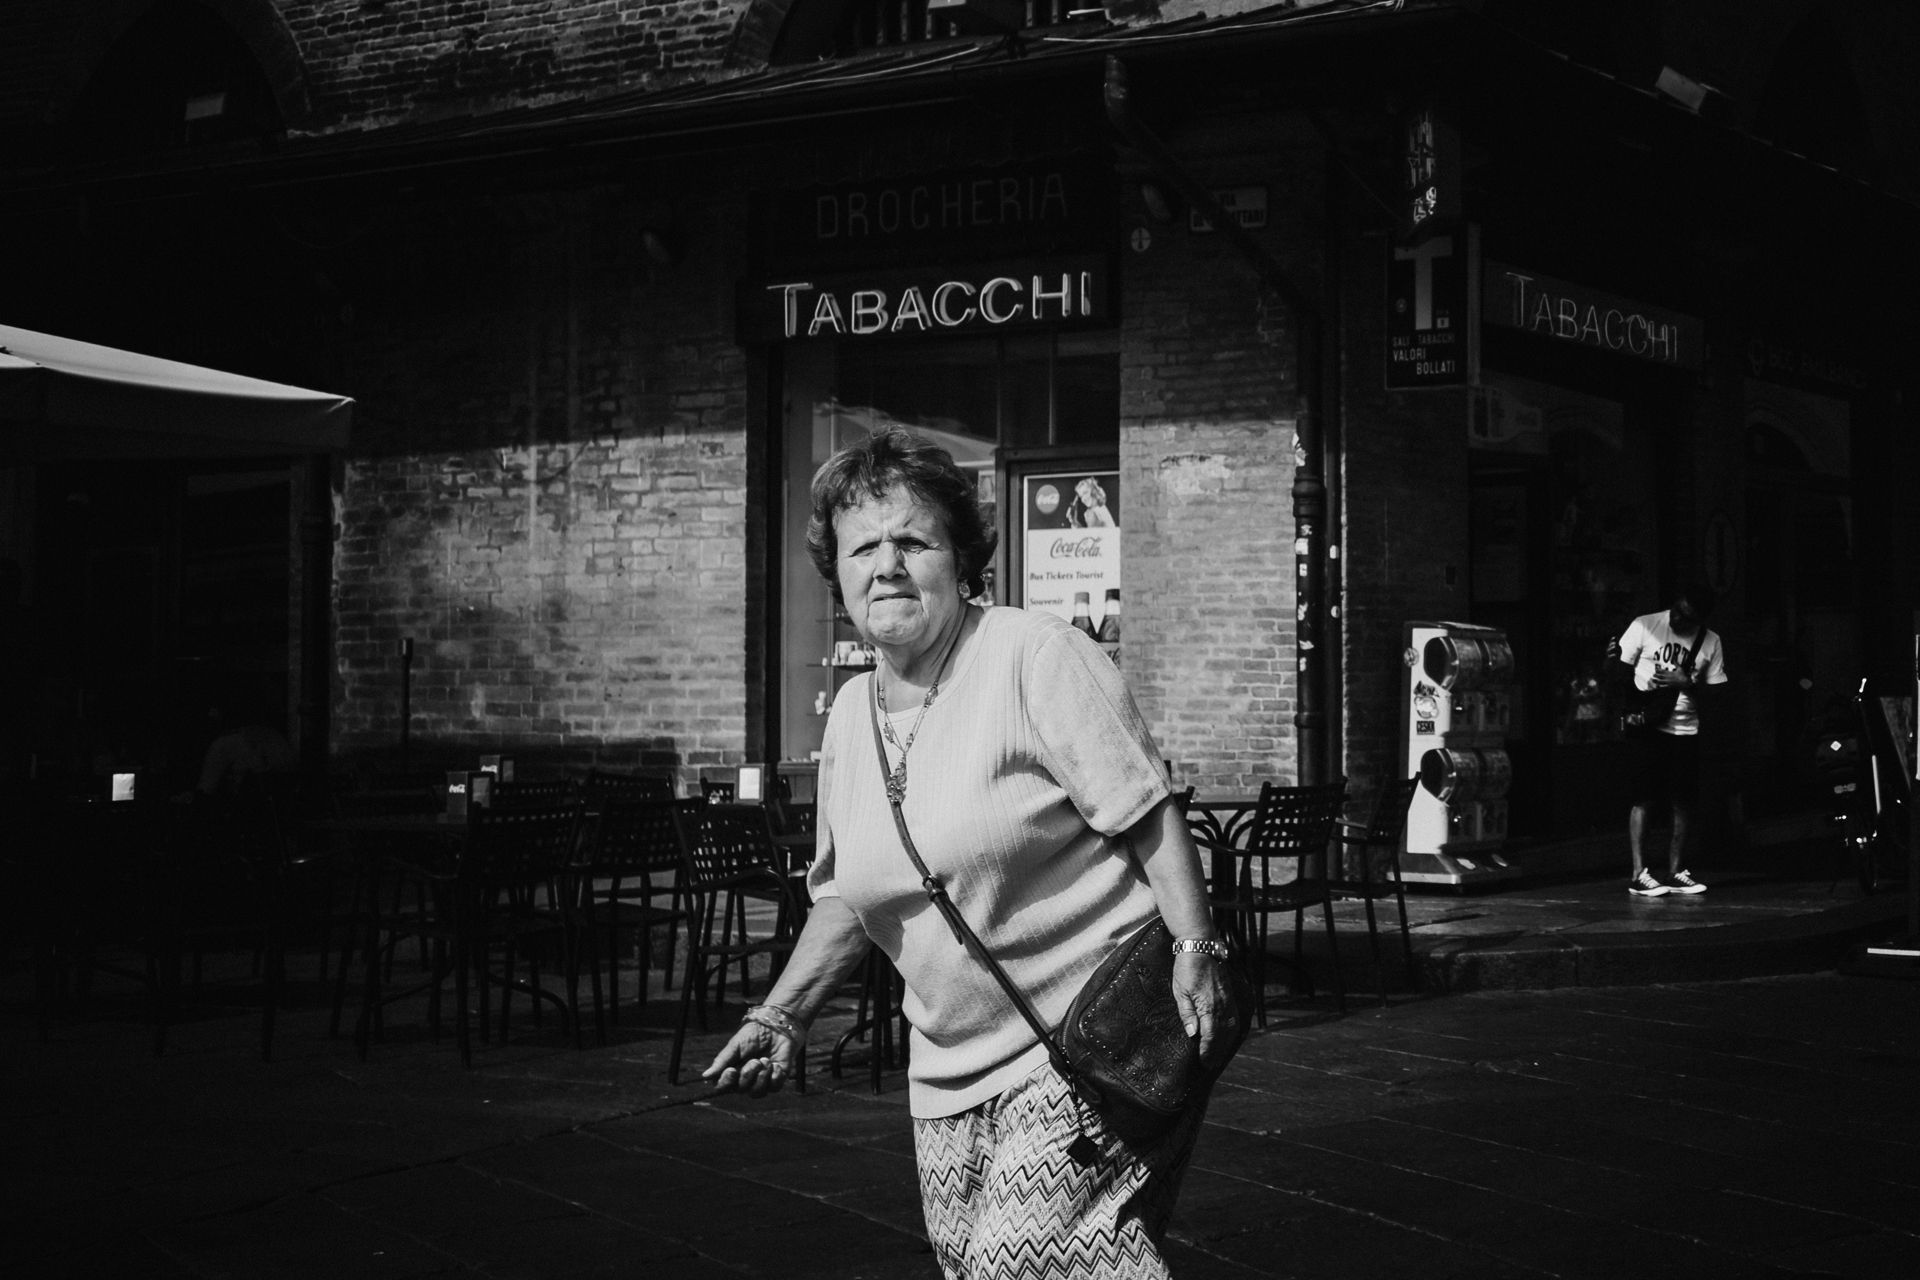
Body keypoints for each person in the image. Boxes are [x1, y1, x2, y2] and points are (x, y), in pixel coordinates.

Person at [703, 428, 1233, 1279]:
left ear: (960, 558)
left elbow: (1146, 810)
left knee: (1014, 1270)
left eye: (913, 541)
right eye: (862, 547)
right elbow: (849, 892)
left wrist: (1199, 947)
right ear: (836, 576)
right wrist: (784, 1015)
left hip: (1089, 1034)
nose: (887, 565)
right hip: (945, 1074)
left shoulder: (1032, 655)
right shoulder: (848, 717)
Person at [1615, 584, 1728, 897]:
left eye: (1687, 617)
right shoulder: (1645, 625)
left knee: (1683, 801)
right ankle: (1639, 873)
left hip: (1685, 728)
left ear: (1699, 620)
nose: (1677, 620)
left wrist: (1687, 682)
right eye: (1677, 611)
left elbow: (1718, 694)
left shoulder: (1710, 641)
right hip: (1648, 726)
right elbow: (1618, 674)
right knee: (1643, 797)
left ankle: (1677, 870)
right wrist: (1634, 705)